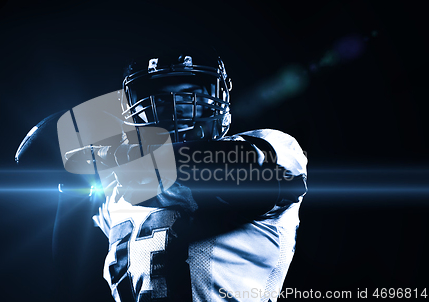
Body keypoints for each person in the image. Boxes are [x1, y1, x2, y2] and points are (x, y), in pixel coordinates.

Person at [22, 50, 308, 302]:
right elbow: (42, 159)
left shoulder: (276, 147)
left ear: (218, 96)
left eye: (190, 94)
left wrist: (105, 155)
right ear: (134, 109)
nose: (177, 107)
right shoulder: (112, 190)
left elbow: (212, 172)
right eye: (157, 99)